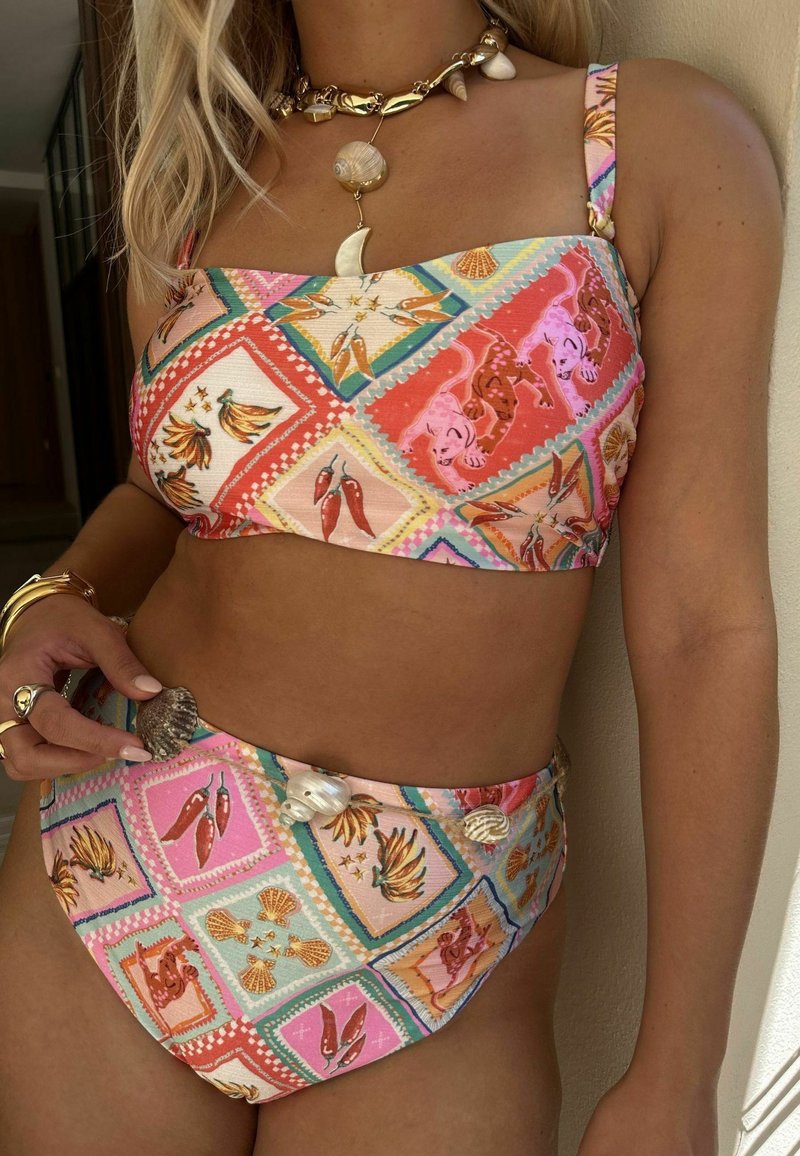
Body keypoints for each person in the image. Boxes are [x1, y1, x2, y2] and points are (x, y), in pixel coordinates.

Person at [0, 1, 784, 1153]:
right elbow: (160, 493)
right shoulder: (196, 180)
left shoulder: (646, 142)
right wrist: (47, 597)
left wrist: (678, 1067)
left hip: (444, 920)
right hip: (116, 852)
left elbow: (702, 627)